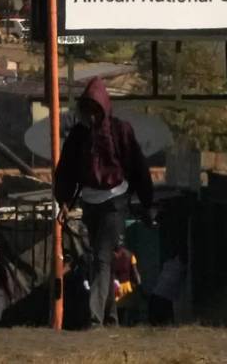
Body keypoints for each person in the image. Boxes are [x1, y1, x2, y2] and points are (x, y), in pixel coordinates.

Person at [55, 77, 155, 328]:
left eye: (94, 109)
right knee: (101, 260)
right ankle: (111, 318)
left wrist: (146, 201)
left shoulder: (121, 131)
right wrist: (64, 200)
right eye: (86, 109)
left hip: (115, 201)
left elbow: (138, 166)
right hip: (90, 203)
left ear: (102, 108)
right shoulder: (78, 137)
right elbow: (66, 170)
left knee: (101, 256)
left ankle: (94, 317)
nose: (89, 115)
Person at [110, 236, 141, 320]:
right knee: (125, 310)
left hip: (114, 285)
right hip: (126, 286)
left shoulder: (111, 255)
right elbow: (135, 272)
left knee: (116, 309)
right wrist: (138, 283)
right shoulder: (130, 255)